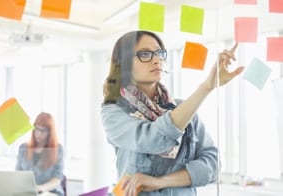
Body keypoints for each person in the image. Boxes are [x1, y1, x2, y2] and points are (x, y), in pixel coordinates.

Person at [101, 30, 244, 196]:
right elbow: (154, 139)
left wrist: (160, 182)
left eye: (159, 53)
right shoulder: (114, 111)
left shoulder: (183, 109)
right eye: (145, 54)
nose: (156, 59)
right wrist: (205, 88)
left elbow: (212, 165)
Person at [16, 112, 65, 196]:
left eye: (42, 131)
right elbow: (17, 174)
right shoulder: (23, 148)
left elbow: (57, 178)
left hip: (50, 192)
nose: (38, 134)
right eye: (36, 129)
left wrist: (42, 188)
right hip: (28, 192)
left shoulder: (57, 149)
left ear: (50, 132)